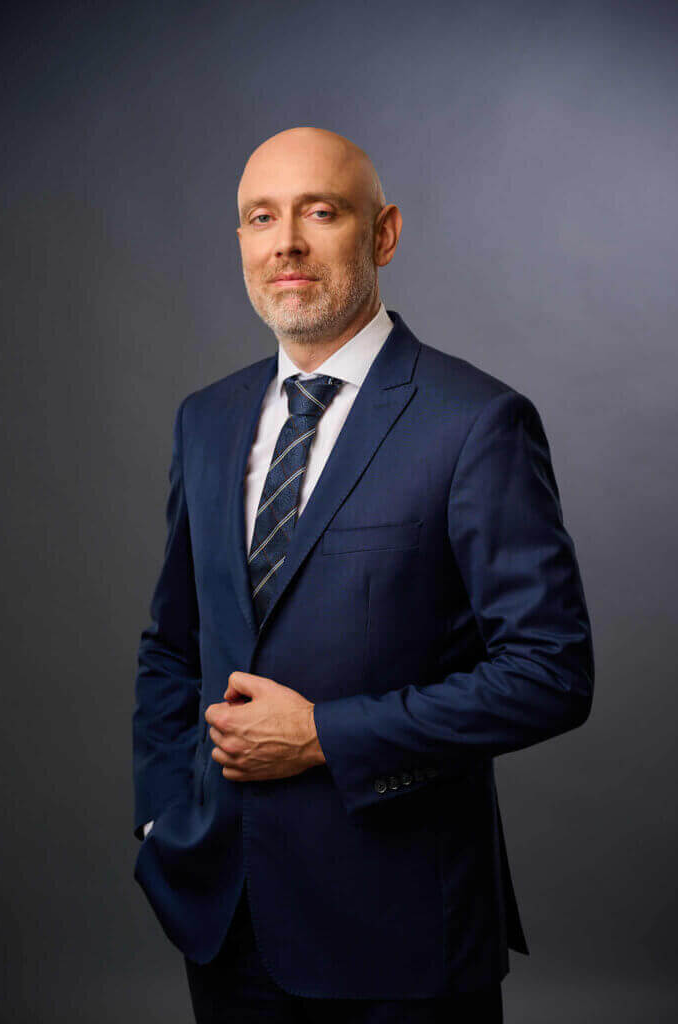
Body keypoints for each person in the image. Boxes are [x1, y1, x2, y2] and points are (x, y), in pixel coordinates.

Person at [132, 126, 594, 1023]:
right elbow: (171, 647)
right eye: (261, 217)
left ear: (382, 234)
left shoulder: (476, 422)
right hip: (223, 919)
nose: (287, 243)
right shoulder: (206, 420)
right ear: (241, 244)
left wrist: (324, 736)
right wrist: (160, 823)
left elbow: (551, 674)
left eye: (320, 211)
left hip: (402, 936)